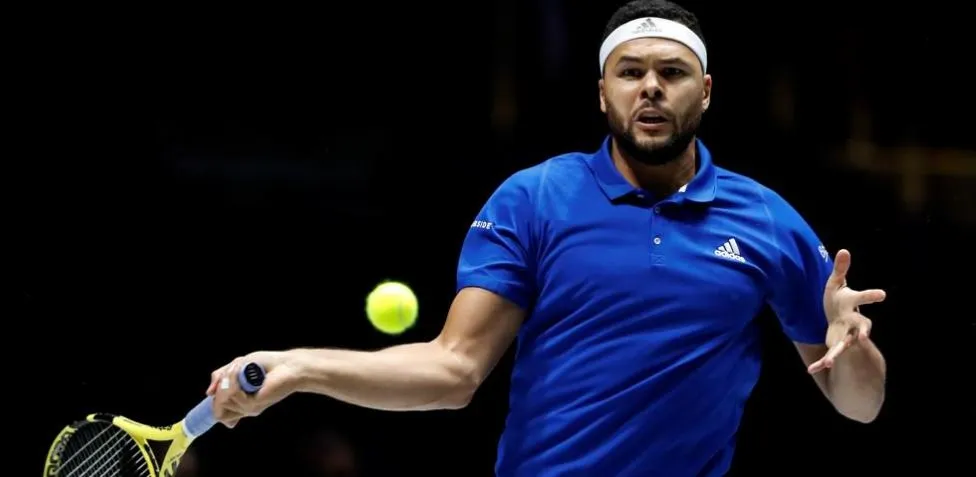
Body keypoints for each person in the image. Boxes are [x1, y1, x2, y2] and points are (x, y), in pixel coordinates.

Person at [207, 1, 888, 475]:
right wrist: (300, 367)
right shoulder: (534, 198)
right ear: (602, 93)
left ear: (704, 91)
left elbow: (860, 406)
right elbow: (453, 371)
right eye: (631, 72)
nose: (651, 87)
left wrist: (850, 345)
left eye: (672, 73)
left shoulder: (765, 218)